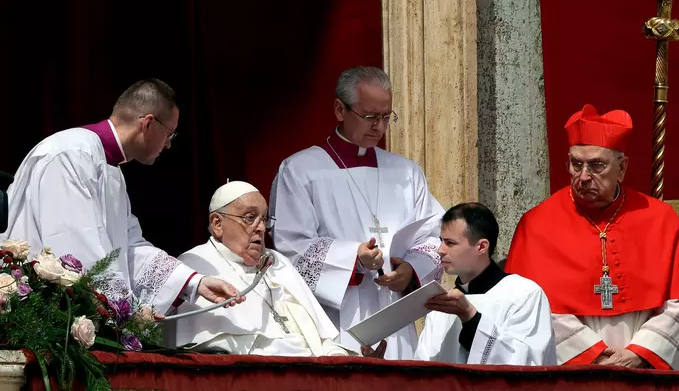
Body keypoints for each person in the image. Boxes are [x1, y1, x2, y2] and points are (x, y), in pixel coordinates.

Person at [1, 78, 243, 313]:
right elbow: (74, 249)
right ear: (148, 123)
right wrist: (127, 312)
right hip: (38, 315)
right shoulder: (72, 155)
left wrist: (193, 283)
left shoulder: (111, 170)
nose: (168, 144)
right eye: (169, 134)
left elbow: (129, 247)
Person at [505, 104, 679, 370]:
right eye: (576, 164)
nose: (584, 177)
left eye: (596, 165)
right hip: (570, 367)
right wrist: (593, 355)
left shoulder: (660, 219)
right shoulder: (537, 224)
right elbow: (531, 306)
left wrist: (639, 352)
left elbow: (677, 302)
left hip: (644, 364)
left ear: (621, 168)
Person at [270, 66, 443, 359]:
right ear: (340, 109)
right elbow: (290, 248)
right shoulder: (301, 170)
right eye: (370, 117)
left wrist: (411, 270)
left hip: (394, 316)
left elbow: (432, 236)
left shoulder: (406, 172)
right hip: (336, 318)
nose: (379, 126)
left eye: (386, 117)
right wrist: (353, 258)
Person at [174, 180, 385, 358]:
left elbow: (318, 341)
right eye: (249, 218)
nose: (261, 227)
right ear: (218, 224)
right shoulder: (195, 266)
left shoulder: (278, 263)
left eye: (264, 219)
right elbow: (211, 350)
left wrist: (352, 362)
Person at [415, 203, 556, 365]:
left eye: (450, 243)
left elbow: (526, 364)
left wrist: (471, 318)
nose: (440, 250)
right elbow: (423, 370)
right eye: (441, 241)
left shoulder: (525, 295)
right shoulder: (440, 308)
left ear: (481, 246)